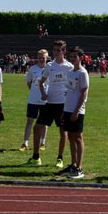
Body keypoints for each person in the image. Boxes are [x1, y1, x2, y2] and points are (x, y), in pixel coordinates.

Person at [27, 39, 72, 168]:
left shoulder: (68, 66)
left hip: (63, 104)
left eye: (59, 50)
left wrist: (68, 95)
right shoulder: (50, 66)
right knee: (37, 127)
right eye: (55, 50)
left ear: (64, 51)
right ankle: (36, 157)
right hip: (50, 103)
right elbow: (41, 82)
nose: (57, 52)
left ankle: (60, 158)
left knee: (63, 131)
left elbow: (72, 84)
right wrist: (43, 93)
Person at [62, 48, 89, 179]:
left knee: (78, 137)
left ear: (81, 58)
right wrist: (65, 109)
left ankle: (79, 167)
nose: (73, 59)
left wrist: (77, 111)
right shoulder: (70, 72)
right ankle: (73, 164)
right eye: (71, 56)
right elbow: (69, 90)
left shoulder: (83, 73)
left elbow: (84, 93)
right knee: (71, 136)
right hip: (68, 108)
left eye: (75, 56)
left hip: (77, 110)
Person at [20, 49, 49, 152]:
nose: (41, 59)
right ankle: (25, 143)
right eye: (40, 57)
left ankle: (43, 143)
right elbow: (29, 83)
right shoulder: (32, 69)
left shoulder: (50, 69)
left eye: (43, 58)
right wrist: (34, 92)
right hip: (33, 100)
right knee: (29, 121)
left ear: (47, 58)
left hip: (45, 101)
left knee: (44, 123)